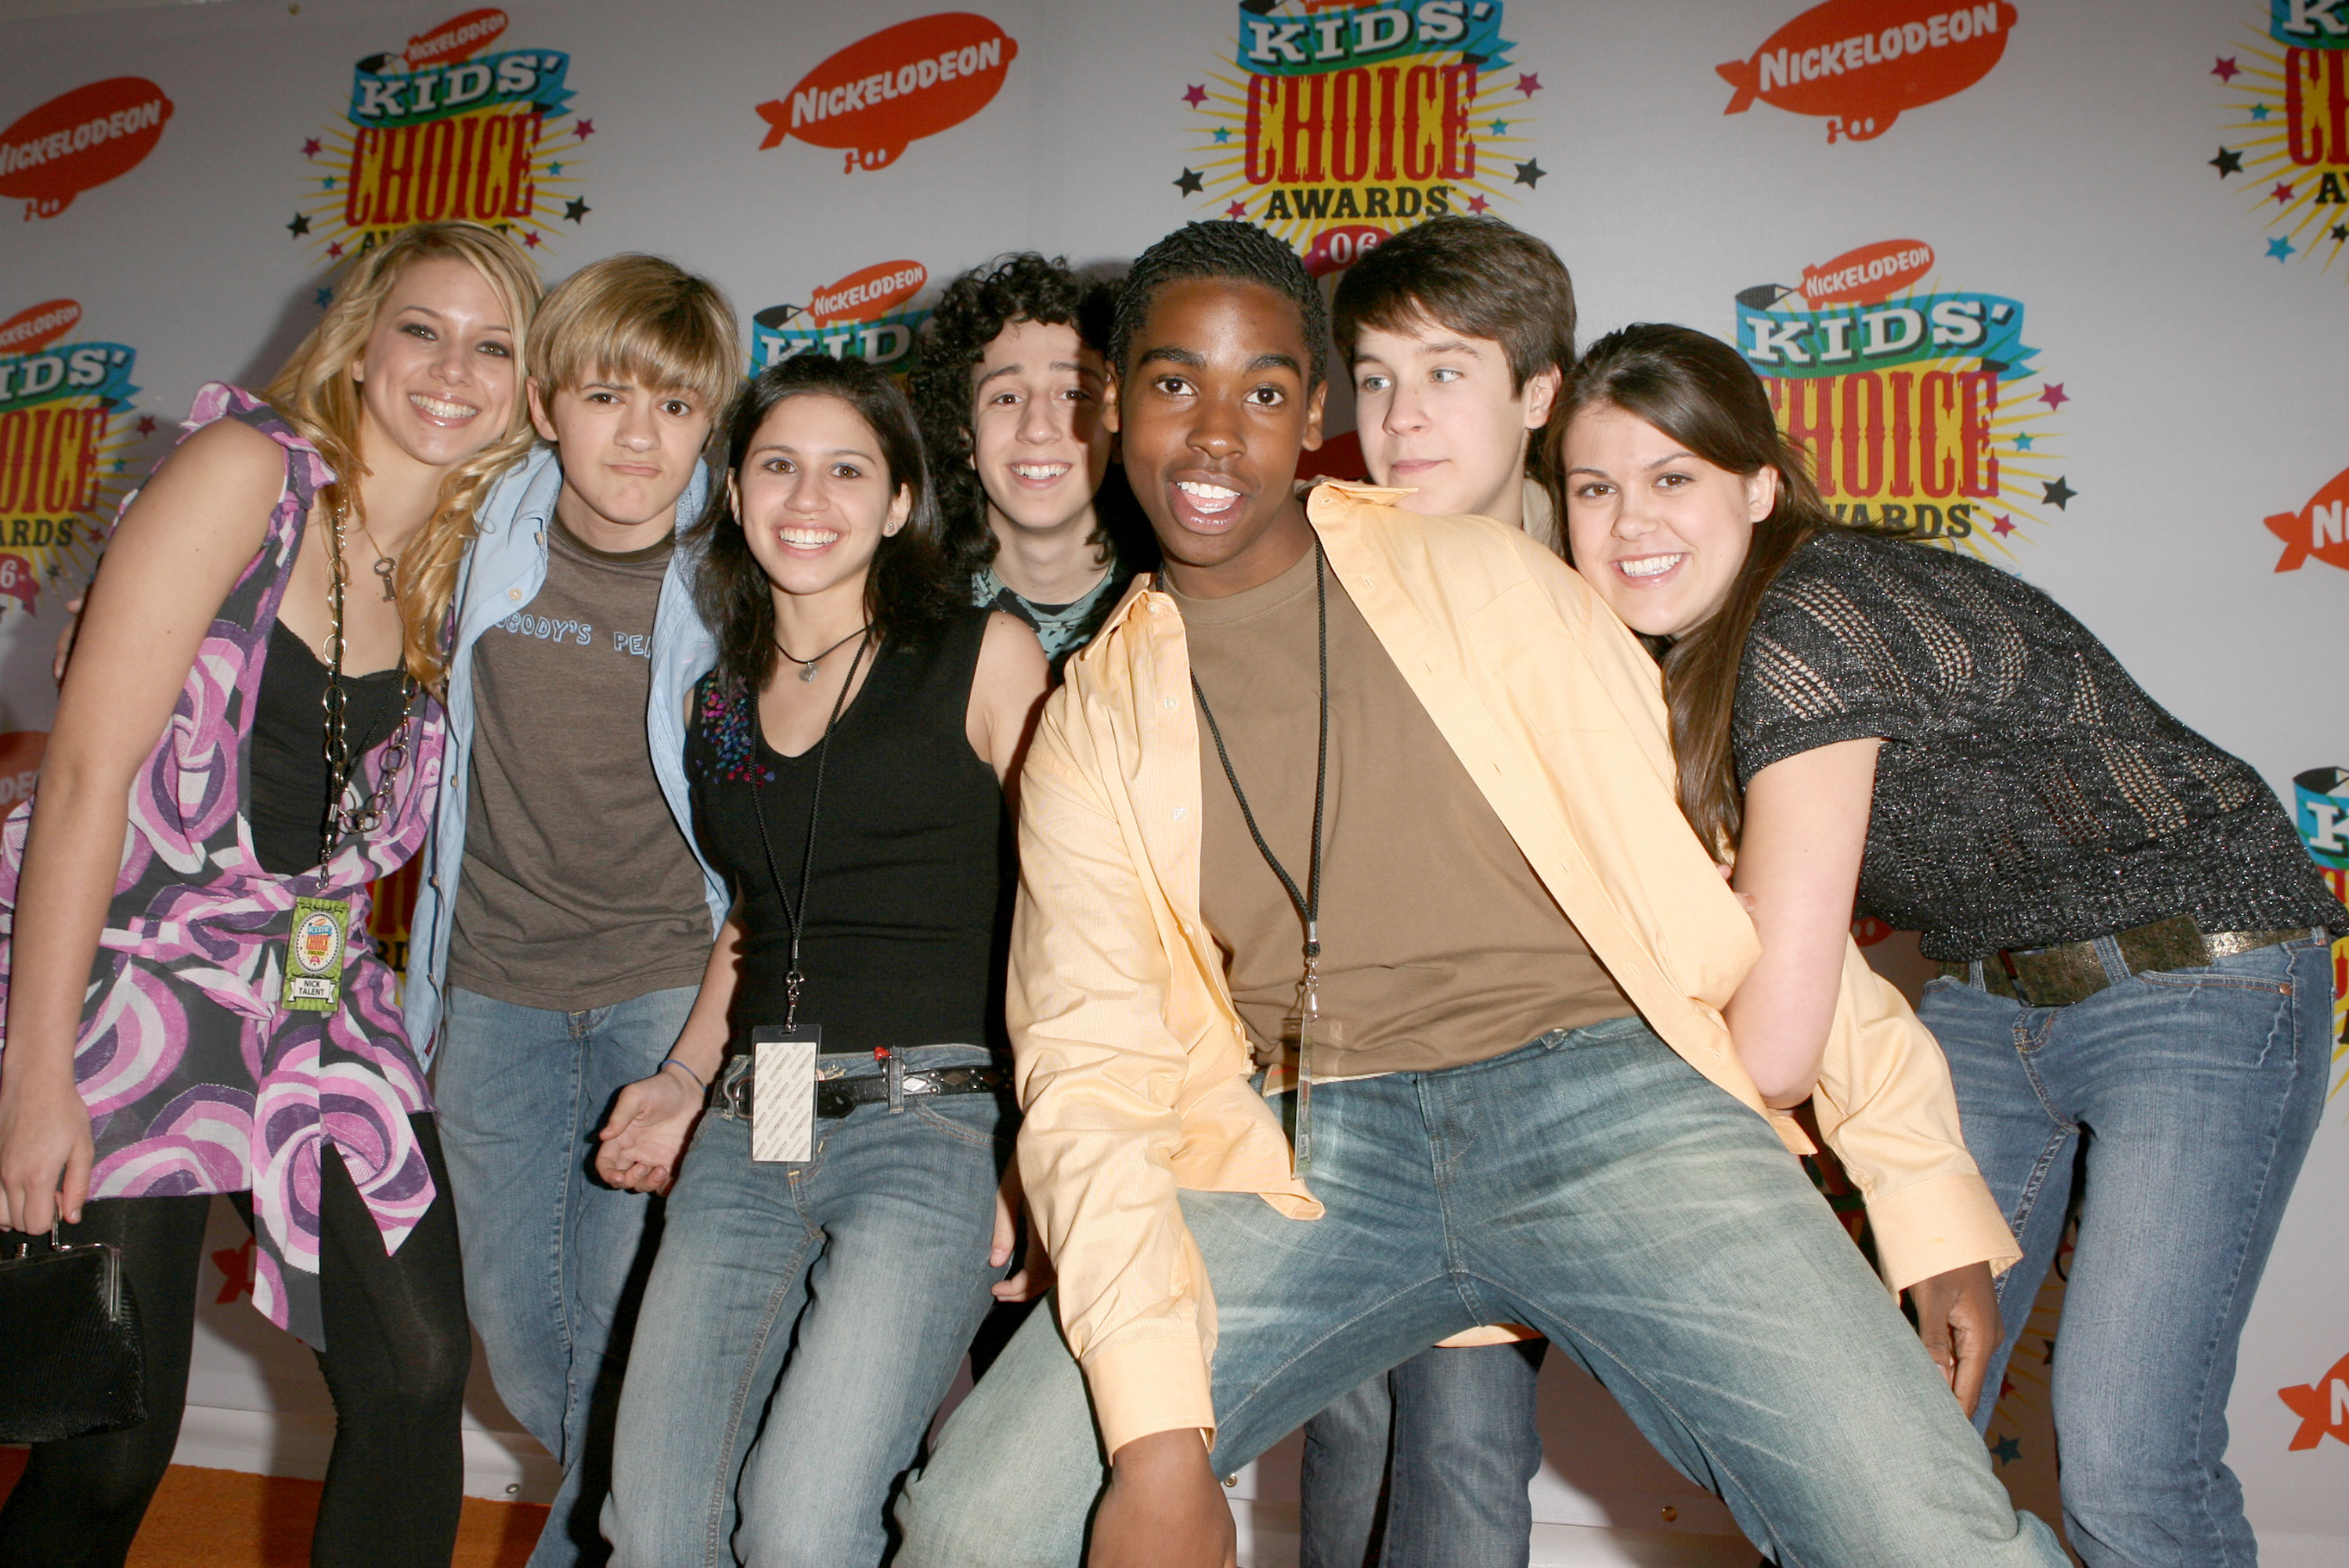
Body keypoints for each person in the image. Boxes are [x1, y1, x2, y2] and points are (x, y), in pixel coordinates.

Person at [893, 220, 2062, 1568]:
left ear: (1313, 417)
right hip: (1305, 1145)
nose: (1214, 434)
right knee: (978, 1523)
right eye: (1172, 383)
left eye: (1262, 391)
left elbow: (1709, 886)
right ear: (1115, 405)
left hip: (1608, 1095)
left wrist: (1921, 1189)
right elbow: (1089, 1071)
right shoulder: (1090, 722)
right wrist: (1159, 1448)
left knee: (1927, 1532)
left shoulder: (1484, 579)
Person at [1553, 322, 2345, 1568]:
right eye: (1594, 487)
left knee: (2130, 1465)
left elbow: (1773, 1044)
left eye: (1673, 476)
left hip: (2196, 973)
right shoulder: (1689, 663)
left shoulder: (1813, 617)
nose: (1629, 521)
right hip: (1988, 995)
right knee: (1884, 1437)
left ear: (1758, 486)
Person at [0, 221, 540, 1568]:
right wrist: (35, 1075)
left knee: (418, 1365)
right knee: (110, 1440)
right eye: (423, 329)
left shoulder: (476, 559)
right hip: (132, 966)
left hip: (311, 978)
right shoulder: (246, 471)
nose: (453, 369)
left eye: (493, 346)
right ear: (359, 341)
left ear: (528, 386)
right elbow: (86, 778)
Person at [592, 354, 1052, 1566]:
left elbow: (1069, 908)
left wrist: (1041, 1140)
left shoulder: (982, 654)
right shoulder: (718, 704)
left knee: (801, 1527)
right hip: (752, 1123)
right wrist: (683, 1076)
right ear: (736, 490)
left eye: (847, 469)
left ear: (899, 501)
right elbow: (757, 916)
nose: (808, 497)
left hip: (934, 1124)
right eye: (778, 465)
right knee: (656, 1532)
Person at [401, 254, 739, 1568]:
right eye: (607, 396)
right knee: (521, 1338)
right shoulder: (473, 526)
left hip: (665, 985)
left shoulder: (744, 567)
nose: (640, 436)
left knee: (625, 1331)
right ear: (545, 404)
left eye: (675, 404)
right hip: (492, 987)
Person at [911, 252, 1154, 676]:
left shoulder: (1175, 600)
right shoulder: (904, 614)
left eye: (1074, 394)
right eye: (1007, 398)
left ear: (1118, 429)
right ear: (965, 436)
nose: (1038, 428)